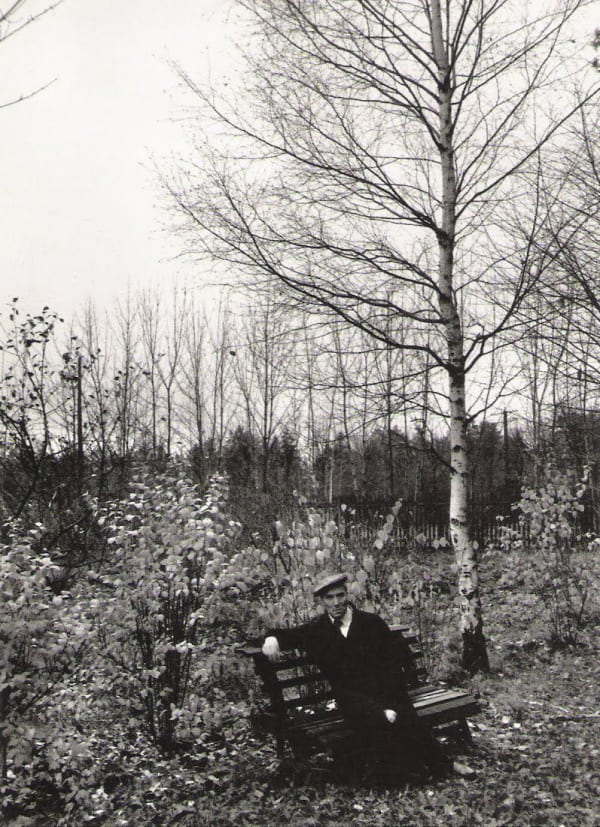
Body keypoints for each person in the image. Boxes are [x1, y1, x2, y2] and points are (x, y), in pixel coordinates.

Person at [262, 572, 475, 782]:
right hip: (351, 697)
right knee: (376, 718)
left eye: (340, 595)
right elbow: (287, 635)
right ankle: (406, 772)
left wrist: (389, 701)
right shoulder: (317, 630)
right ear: (322, 601)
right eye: (329, 598)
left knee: (405, 714)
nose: (336, 602)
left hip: (384, 689)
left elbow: (394, 663)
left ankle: (442, 764)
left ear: (347, 595)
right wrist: (272, 639)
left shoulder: (371, 623)